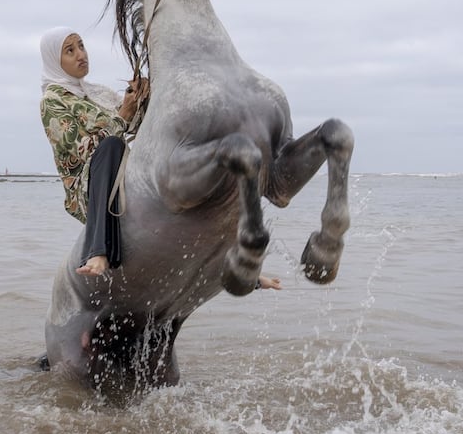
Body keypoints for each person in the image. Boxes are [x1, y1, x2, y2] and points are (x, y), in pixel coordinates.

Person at [38, 26, 282, 289]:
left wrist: (144, 99)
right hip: (88, 184)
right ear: (55, 60)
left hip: (123, 166)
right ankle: (98, 251)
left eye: (81, 46)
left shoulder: (97, 93)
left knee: (180, 180)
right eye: (69, 51)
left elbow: (136, 128)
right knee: (110, 146)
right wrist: (124, 114)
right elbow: (81, 149)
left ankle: (243, 271)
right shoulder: (52, 101)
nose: (80, 54)